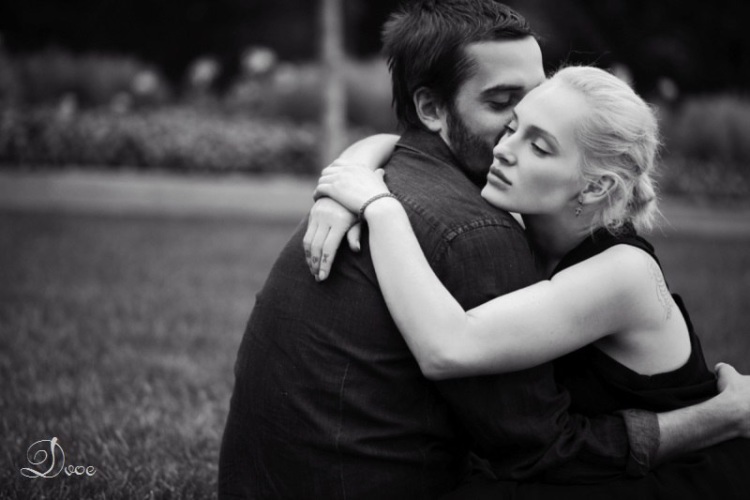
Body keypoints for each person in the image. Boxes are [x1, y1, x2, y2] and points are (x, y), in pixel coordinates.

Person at [218, 2, 750, 498]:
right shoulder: (497, 219)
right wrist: (353, 168)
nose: (506, 148)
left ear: (594, 187)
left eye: (538, 140)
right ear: (430, 108)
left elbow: (451, 350)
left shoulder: (614, 269)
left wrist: (379, 206)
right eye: (508, 115)